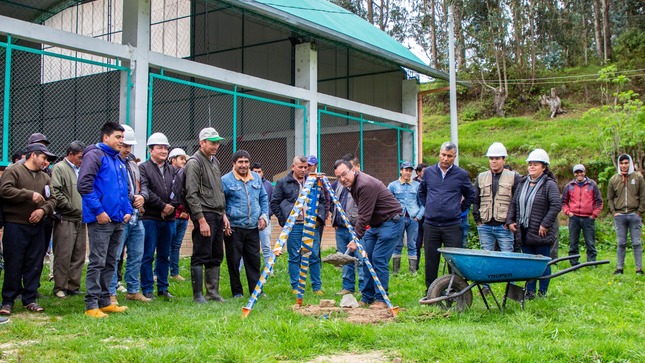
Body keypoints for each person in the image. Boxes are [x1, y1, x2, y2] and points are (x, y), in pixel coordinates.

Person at [77, 122, 132, 318]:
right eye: (118, 137)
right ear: (105, 137)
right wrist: (98, 210)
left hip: (118, 219)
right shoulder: (95, 155)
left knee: (111, 260)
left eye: (122, 138)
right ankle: (91, 305)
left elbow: (123, 189)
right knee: (97, 261)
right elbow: (84, 185)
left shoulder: (118, 160)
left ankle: (105, 301)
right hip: (101, 219)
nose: (121, 142)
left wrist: (128, 210)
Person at [334, 159, 404, 309]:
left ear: (353, 170)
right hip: (375, 224)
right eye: (338, 177)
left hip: (391, 222)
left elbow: (364, 216)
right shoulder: (351, 184)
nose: (342, 179)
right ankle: (367, 297)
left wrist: (355, 239)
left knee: (378, 259)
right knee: (366, 259)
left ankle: (381, 299)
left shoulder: (364, 184)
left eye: (344, 174)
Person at [0, 143, 57, 316]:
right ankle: (8, 301)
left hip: (37, 227)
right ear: (33, 155)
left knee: (34, 263)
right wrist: (28, 194)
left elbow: (52, 199)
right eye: (44, 158)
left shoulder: (45, 177)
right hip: (16, 225)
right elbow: (4, 190)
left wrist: (42, 210)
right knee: (14, 262)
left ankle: (29, 299)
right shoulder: (14, 171)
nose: (46, 162)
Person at [419, 142, 475, 291]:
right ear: (439, 154)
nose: (445, 159)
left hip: (452, 225)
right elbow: (421, 192)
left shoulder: (461, 174)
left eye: (449, 156)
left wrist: (460, 209)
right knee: (431, 260)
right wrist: (430, 206)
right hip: (431, 224)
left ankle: (454, 291)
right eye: (443, 155)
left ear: (454, 157)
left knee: (454, 261)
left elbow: (471, 194)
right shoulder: (429, 172)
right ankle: (431, 291)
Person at [507, 149, 562, 299]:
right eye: (530, 164)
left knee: (543, 263)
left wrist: (545, 224)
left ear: (544, 167)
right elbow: (514, 203)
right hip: (524, 231)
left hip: (540, 232)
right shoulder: (523, 182)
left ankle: (542, 292)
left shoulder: (549, 185)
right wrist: (510, 221)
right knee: (529, 264)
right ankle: (530, 292)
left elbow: (556, 205)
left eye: (535, 165)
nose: (531, 167)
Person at [270, 156, 327, 295]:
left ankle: (317, 287)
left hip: (312, 224)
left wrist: (319, 219)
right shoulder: (283, 182)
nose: (303, 170)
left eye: (305, 167)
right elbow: (275, 202)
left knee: (313, 255)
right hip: (294, 225)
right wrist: (285, 221)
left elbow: (323, 202)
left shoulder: (314, 181)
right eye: (300, 167)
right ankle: (296, 287)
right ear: (293, 167)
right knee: (294, 256)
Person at [185, 127, 229, 303]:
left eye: (217, 142)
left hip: (217, 213)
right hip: (205, 214)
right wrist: (201, 219)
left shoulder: (214, 161)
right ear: (202, 142)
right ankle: (198, 295)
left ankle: (213, 292)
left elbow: (218, 190)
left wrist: (223, 214)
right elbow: (191, 193)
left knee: (216, 253)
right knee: (201, 253)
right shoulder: (194, 162)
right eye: (212, 142)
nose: (216, 145)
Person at [108, 125, 150, 303]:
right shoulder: (110, 163)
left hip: (136, 216)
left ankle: (133, 290)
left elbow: (143, 185)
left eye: (129, 146)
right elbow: (115, 189)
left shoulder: (133, 164)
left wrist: (143, 197)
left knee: (137, 254)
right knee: (115, 256)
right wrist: (133, 197)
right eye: (124, 145)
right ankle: (110, 292)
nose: (127, 149)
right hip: (120, 216)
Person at [222, 150, 269, 298]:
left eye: (246, 162)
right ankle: (237, 292)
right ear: (234, 163)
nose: (244, 165)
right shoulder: (225, 180)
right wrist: (224, 219)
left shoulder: (256, 178)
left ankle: (256, 291)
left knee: (254, 261)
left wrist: (263, 217)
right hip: (234, 228)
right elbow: (220, 203)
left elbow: (263, 198)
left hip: (253, 227)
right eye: (240, 162)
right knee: (234, 262)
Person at [139, 133, 176, 299]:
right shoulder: (143, 168)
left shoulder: (172, 170)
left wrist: (170, 207)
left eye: (166, 148)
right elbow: (146, 191)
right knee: (147, 255)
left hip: (169, 219)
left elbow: (178, 190)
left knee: (164, 255)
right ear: (151, 150)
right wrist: (162, 206)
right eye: (159, 148)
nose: (163, 151)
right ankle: (147, 288)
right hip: (150, 218)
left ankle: (163, 288)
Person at [51, 140, 87, 298]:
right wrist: (69, 206)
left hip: (81, 218)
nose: (82, 160)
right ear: (70, 154)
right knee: (63, 254)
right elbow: (55, 191)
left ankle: (73, 285)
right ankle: (60, 286)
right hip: (65, 218)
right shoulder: (59, 168)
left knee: (79, 254)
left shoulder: (82, 170)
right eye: (79, 157)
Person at [473, 142, 523, 254]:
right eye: (491, 158)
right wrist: (478, 221)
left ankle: (507, 272)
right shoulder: (481, 177)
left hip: (504, 226)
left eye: (497, 158)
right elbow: (475, 200)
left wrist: (510, 221)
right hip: (485, 225)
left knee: (507, 256)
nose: (493, 161)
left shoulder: (514, 177)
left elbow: (516, 202)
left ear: (504, 160)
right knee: (487, 256)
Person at [607, 154, 645, 275]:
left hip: (634, 214)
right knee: (621, 243)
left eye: (626, 163)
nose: (624, 166)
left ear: (630, 164)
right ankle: (619, 268)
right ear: (619, 165)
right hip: (620, 215)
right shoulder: (614, 179)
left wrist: (640, 212)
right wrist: (614, 212)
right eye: (622, 163)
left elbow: (643, 196)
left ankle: (639, 269)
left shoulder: (638, 178)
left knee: (636, 243)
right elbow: (610, 198)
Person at [561, 164, 603, 267]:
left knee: (590, 243)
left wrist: (594, 215)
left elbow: (599, 202)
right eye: (577, 172)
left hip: (588, 218)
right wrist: (568, 212)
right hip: (574, 218)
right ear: (574, 173)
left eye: (581, 172)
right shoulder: (569, 186)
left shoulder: (592, 184)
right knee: (573, 243)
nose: (579, 174)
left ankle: (592, 263)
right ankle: (574, 264)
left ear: (584, 172)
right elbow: (563, 202)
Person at [387, 161, 423, 274]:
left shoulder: (417, 186)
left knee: (413, 244)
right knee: (397, 244)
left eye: (410, 170)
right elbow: (387, 202)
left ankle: (413, 271)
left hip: (413, 219)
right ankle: (395, 271)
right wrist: (393, 216)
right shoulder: (393, 185)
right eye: (406, 170)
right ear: (401, 171)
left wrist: (418, 217)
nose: (408, 173)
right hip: (398, 219)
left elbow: (423, 203)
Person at [168, 148, 189, 281]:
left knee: (176, 245)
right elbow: (171, 196)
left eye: (185, 159)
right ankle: (158, 272)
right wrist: (179, 211)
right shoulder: (168, 175)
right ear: (172, 159)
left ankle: (174, 273)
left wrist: (186, 211)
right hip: (173, 216)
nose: (184, 161)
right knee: (166, 245)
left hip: (184, 217)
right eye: (181, 158)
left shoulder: (186, 175)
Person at [250, 162, 274, 267]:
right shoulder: (247, 183)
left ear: (262, 172)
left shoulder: (268, 185)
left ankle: (269, 270)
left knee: (266, 246)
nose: (257, 174)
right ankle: (240, 270)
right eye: (255, 172)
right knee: (248, 247)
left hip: (265, 220)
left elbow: (272, 202)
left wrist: (267, 216)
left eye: (259, 172)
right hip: (250, 220)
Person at [414, 163, 428, 262]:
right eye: (424, 171)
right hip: (418, 215)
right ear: (418, 172)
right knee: (417, 240)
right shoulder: (413, 183)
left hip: (429, 215)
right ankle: (416, 264)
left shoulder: (430, 182)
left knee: (429, 241)